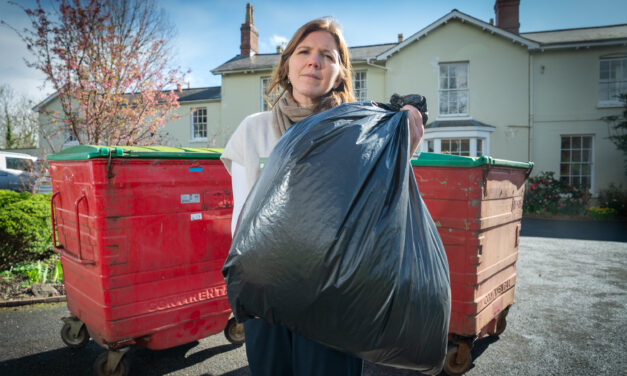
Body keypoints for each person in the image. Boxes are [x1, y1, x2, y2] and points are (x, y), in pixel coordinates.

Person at [220, 18, 424, 376]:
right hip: (266, 292)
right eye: (304, 51)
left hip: (335, 295)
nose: (314, 61)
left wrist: (404, 137)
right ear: (287, 64)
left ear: (341, 73)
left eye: (327, 56)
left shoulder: (359, 133)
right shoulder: (253, 130)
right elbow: (242, 218)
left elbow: (379, 201)